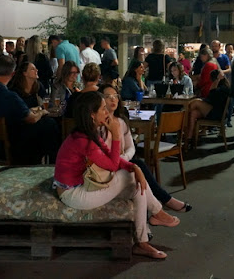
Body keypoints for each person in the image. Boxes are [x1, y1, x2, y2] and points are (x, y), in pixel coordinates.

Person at [53, 91, 179, 259]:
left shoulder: (89, 133)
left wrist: (135, 167)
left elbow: (112, 158)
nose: (107, 112)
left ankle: (141, 243)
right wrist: (117, 135)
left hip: (83, 185)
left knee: (136, 187)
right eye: (103, 109)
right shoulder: (83, 140)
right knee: (130, 177)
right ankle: (157, 211)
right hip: (73, 194)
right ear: (92, 115)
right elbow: (112, 166)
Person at [99, 84, 192, 213]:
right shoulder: (99, 124)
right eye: (108, 97)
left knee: (138, 167)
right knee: (139, 166)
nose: (113, 100)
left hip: (121, 161)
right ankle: (165, 202)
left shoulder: (121, 121)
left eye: (115, 96)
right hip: (108, 165)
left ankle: (159, 208)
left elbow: (130, 146)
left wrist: (124, 158)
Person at [0, 55, 59, 164]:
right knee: (49, 124)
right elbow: (31, 119)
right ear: (13, 74)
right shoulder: (9, 96)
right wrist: (42, 112)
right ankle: (51, 166)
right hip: (4, 148)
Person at [184, 69, 230, 144]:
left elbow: (212, 98)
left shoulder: (223, 88)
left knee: (196, 102)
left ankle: (182, 123)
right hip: (213, 110)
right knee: (193, 113)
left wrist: (216, 81)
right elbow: (210, 99)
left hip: (218, 113)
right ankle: (189, 136)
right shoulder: (220, 87)